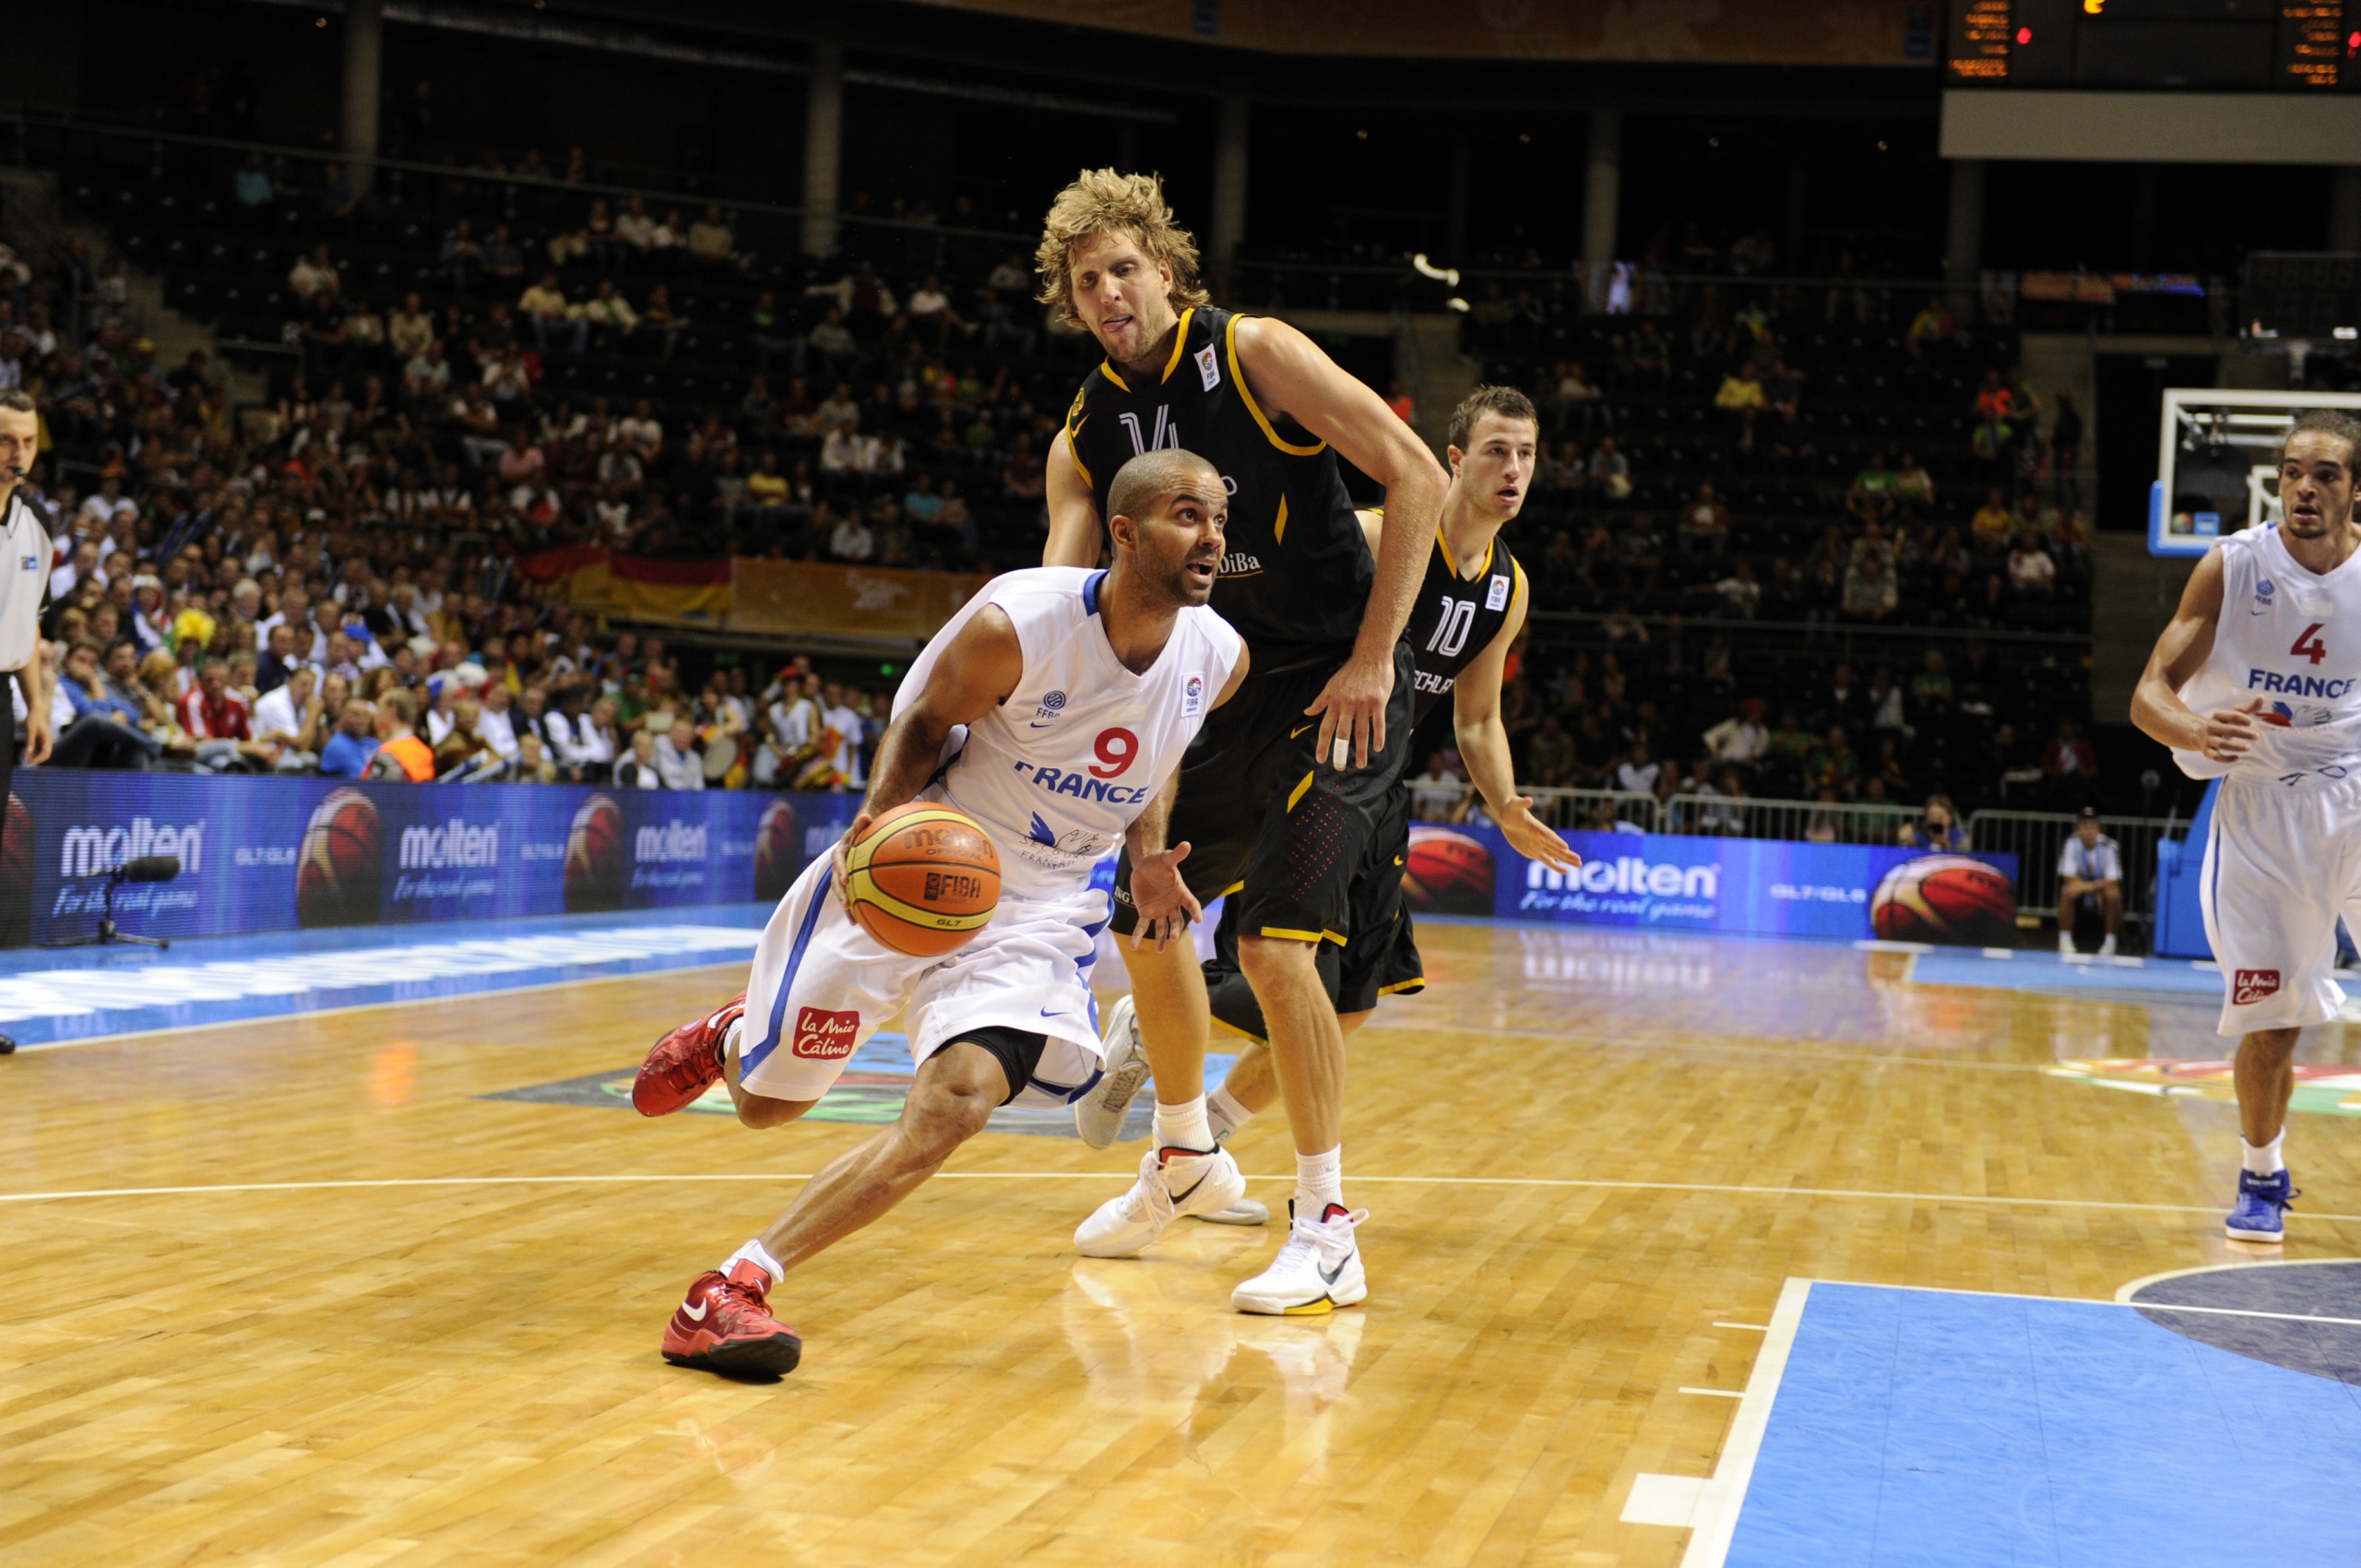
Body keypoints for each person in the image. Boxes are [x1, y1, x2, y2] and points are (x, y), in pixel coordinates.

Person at [627, 447, 1243, 1376]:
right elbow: (923, 723)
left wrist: (1148, 853)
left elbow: (1155, 758)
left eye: (1219, 521)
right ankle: (730, 1041)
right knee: (763, 1107)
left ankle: (730, 1287)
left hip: (1041, 905)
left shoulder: (1218, 656)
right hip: (926, 857)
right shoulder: (1019, 623)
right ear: (1124, 532)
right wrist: (878, 822)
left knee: (958, 1100)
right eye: (1189, 516)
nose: (1212, 537)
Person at [1038, 169, 1448, 1313]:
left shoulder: (1255, 350)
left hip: (1339, 681)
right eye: (1087, 280)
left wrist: (1376, 656)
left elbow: (1417, 472)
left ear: (1167, 271)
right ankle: (1182, 1152)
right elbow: (1067, 596)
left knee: (1276, 951)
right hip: (1214, 686)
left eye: (1124, 267)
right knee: (1146, 909)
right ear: (1072, 305)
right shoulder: (1087, 430)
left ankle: (1324, 1227)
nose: (1109, 290)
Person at [1082, 389, 1584, 1200]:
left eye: (1526, 455)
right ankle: (1157, 1041)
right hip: (1270, 746)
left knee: (1349, 1002)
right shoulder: (1377, 533)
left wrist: (1507, 804)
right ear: (1452, 461)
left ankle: (1195, 1143)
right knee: (1174, 918)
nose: (1514, 470)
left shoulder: (1507, 588)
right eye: (1496, 451)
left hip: (1363, 778)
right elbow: (1252, 617)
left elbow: (1479, 717)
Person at [2129, 409, 2361, 1244]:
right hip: (2265, 804)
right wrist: (2193, 731)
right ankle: (2263, 1175)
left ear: (2356, 491)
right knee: (2272, 1023)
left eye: (2326, 473)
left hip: (2359, 790)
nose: (2305, 486)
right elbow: (2148, 693)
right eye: (2293, 471)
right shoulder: (2231, 566)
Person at [0, 395, 54, 800]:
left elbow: (28, 619)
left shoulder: (37, 521)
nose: (19, 453)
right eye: (5, 440)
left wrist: (36, 704)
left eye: (29, 441)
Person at [2055, 807, 2121, 957]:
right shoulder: (2071, 843)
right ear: (2078, 828)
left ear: (2099, 829)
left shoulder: (2109, 846)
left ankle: (2110, 942)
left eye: (2093, 826)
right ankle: (2065, 940)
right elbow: (2068, 876)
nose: (2089, 831)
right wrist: (2089, 887)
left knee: (2113, 894)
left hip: (2098, 891)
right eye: (2085, 826)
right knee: (2068, 891)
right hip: (2082, 891)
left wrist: (2089, 887)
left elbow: (2113, 880)